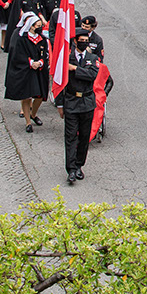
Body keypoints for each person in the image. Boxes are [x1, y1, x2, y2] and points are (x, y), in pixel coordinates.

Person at [61, 32, 101, 184]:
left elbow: (92, 75)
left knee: (84, 136)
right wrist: (60, 104)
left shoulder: (93, 59)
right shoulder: (67, 58)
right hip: (71, 100)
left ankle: (79, 165)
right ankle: (70, 169)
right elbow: (60, 81)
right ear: (75, 42)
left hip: (87, 101)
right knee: (70, 137)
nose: (84, 43)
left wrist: (74, 69)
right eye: (81, 40)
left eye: (86, 41)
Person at [4, 12, 50, 132]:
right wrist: (30, 62)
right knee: (27, 96)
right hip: (27, 70)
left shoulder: (43, 39)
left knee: (40, 96)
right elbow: (18, 54)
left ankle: (33, 114)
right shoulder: (22, 39)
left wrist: (40, 62)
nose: (39, 28)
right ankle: (28, 122)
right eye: (37, 25)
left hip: (39, 70)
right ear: (31, 26)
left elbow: (45, 54)